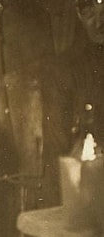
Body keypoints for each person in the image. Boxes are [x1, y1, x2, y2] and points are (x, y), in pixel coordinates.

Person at [40, 0, 103, 207]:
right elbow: (56, 150)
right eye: (88, 12)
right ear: (78, 14)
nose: (99, 22)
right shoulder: (64, 70)